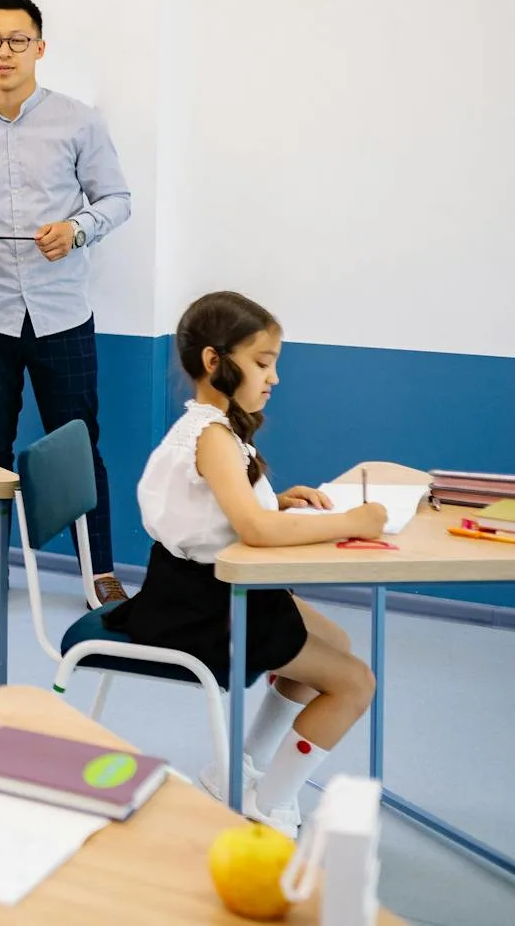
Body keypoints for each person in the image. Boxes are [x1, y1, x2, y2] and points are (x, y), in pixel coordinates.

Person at [103, 291, 380, 835]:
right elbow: (253, 531)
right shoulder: (211, 436)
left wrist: (276, 500)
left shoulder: (217, 429)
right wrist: (354, 523)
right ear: (215, 361)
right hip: (203, 606)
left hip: (213, 587)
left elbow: (226, 514)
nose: (273, 377)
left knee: (337, 646)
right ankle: (270, 808)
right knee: (355, 683)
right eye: (262, 362)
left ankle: (242, 767)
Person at [0, 0, 133, 612]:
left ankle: (98, 573)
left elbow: (116, 199)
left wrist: (77, 229)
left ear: (40, 48)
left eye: (18, 41)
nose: (4, 52)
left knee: (77, 442)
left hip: (62, 311)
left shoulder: (80, 122)